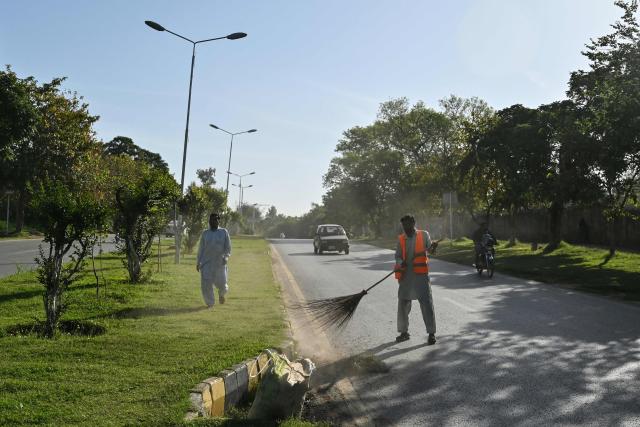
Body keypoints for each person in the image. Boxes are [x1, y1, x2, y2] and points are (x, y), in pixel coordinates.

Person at [393, 214, 438, 344]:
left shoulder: (424, 235)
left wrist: (433, 247)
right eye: (403, 225)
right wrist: (401, 263)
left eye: (407, 224)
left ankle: (431, 333)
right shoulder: (401, 239)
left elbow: (430, 251)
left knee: (427, 305)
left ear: (413, 223)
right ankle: (404, 332)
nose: (405, 227)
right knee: (403, 305)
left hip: (421, 277)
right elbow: (398, 256)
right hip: (406, 277)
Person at [196, 213, 231, 308]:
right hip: (206, 263)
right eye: (211, 220)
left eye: (215, 219)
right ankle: (210, 303)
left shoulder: (224, 232)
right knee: (206, 285)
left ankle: (221, 294)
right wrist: (198, 262)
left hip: (220, 263)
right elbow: (201, 249)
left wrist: (226, 257)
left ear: (219, 221)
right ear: (209, 221)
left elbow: (228, 248)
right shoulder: (205, 233)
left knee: (222, 284)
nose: (213, 221)